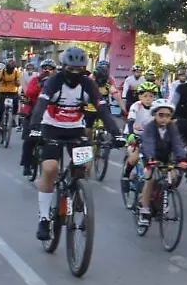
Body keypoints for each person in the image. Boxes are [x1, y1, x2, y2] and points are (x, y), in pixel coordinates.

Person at [27, 47, 124, 241]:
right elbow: (40, 106)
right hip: (51, 127)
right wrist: (35, 127)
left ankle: (77, 193)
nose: (74, 73)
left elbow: (102, 109)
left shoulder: (88, 84)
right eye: (70, 68)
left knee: (85, 166)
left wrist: (116, 133)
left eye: (78, 69)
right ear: (63, 67)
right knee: (50, 168)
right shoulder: (54, 81)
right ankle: (44, 217)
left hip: (76, 129)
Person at [135, 99, 187, 228]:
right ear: (154, 114)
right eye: (161, 115)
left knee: (173, 177)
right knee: (151, 178)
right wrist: (151, 158)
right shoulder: (150, 127)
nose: (164, 119)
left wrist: (182, 158)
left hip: (165, 158)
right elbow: (148, 143)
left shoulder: (172, 128)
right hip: (150, 157)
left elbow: (177, 144)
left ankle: (163, 199)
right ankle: (144, 209)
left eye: (168, 116)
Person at [20, 61, 56, 177]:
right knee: (29, 139)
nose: (47, 71)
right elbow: (29, 93)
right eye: (45, 68)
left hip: (51, 115)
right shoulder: (36, 80)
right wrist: (40, 85)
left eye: (50, 69)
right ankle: (26, 164)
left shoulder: (57, 82)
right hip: (33, 113)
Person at [122, 81, 160, 187]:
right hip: (133, 134)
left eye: (151, 96)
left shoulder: (155, 108)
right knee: (134, 157)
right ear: (140, 97)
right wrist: (131, 134)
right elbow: (130, 121)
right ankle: (126, 175)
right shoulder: (136, 106)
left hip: (148, 136)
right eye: (145, 96)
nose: (148, 99)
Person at [0, 60, 22, 134]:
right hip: (2, 92)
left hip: (13, 93)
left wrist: (18, 84)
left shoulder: (16, 73)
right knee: (1, 110)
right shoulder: (1, 73)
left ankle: (14, 119)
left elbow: (21, 83)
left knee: (16, 104)